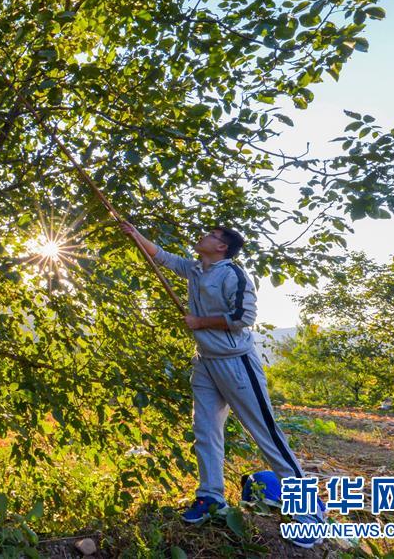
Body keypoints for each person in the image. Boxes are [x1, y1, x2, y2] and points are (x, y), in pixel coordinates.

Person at [119, 222, 324, 548]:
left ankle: (310, 513)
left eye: (211, 235)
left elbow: (244, 317)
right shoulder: (196, 269)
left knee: (266, 434)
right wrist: (134, 234)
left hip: (236, 363)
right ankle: (211, 497)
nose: (203, 236)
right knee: (205, 431)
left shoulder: (233, 275)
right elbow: (162, 257)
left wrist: (199, 322)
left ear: (222, 247)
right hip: (205, 362)